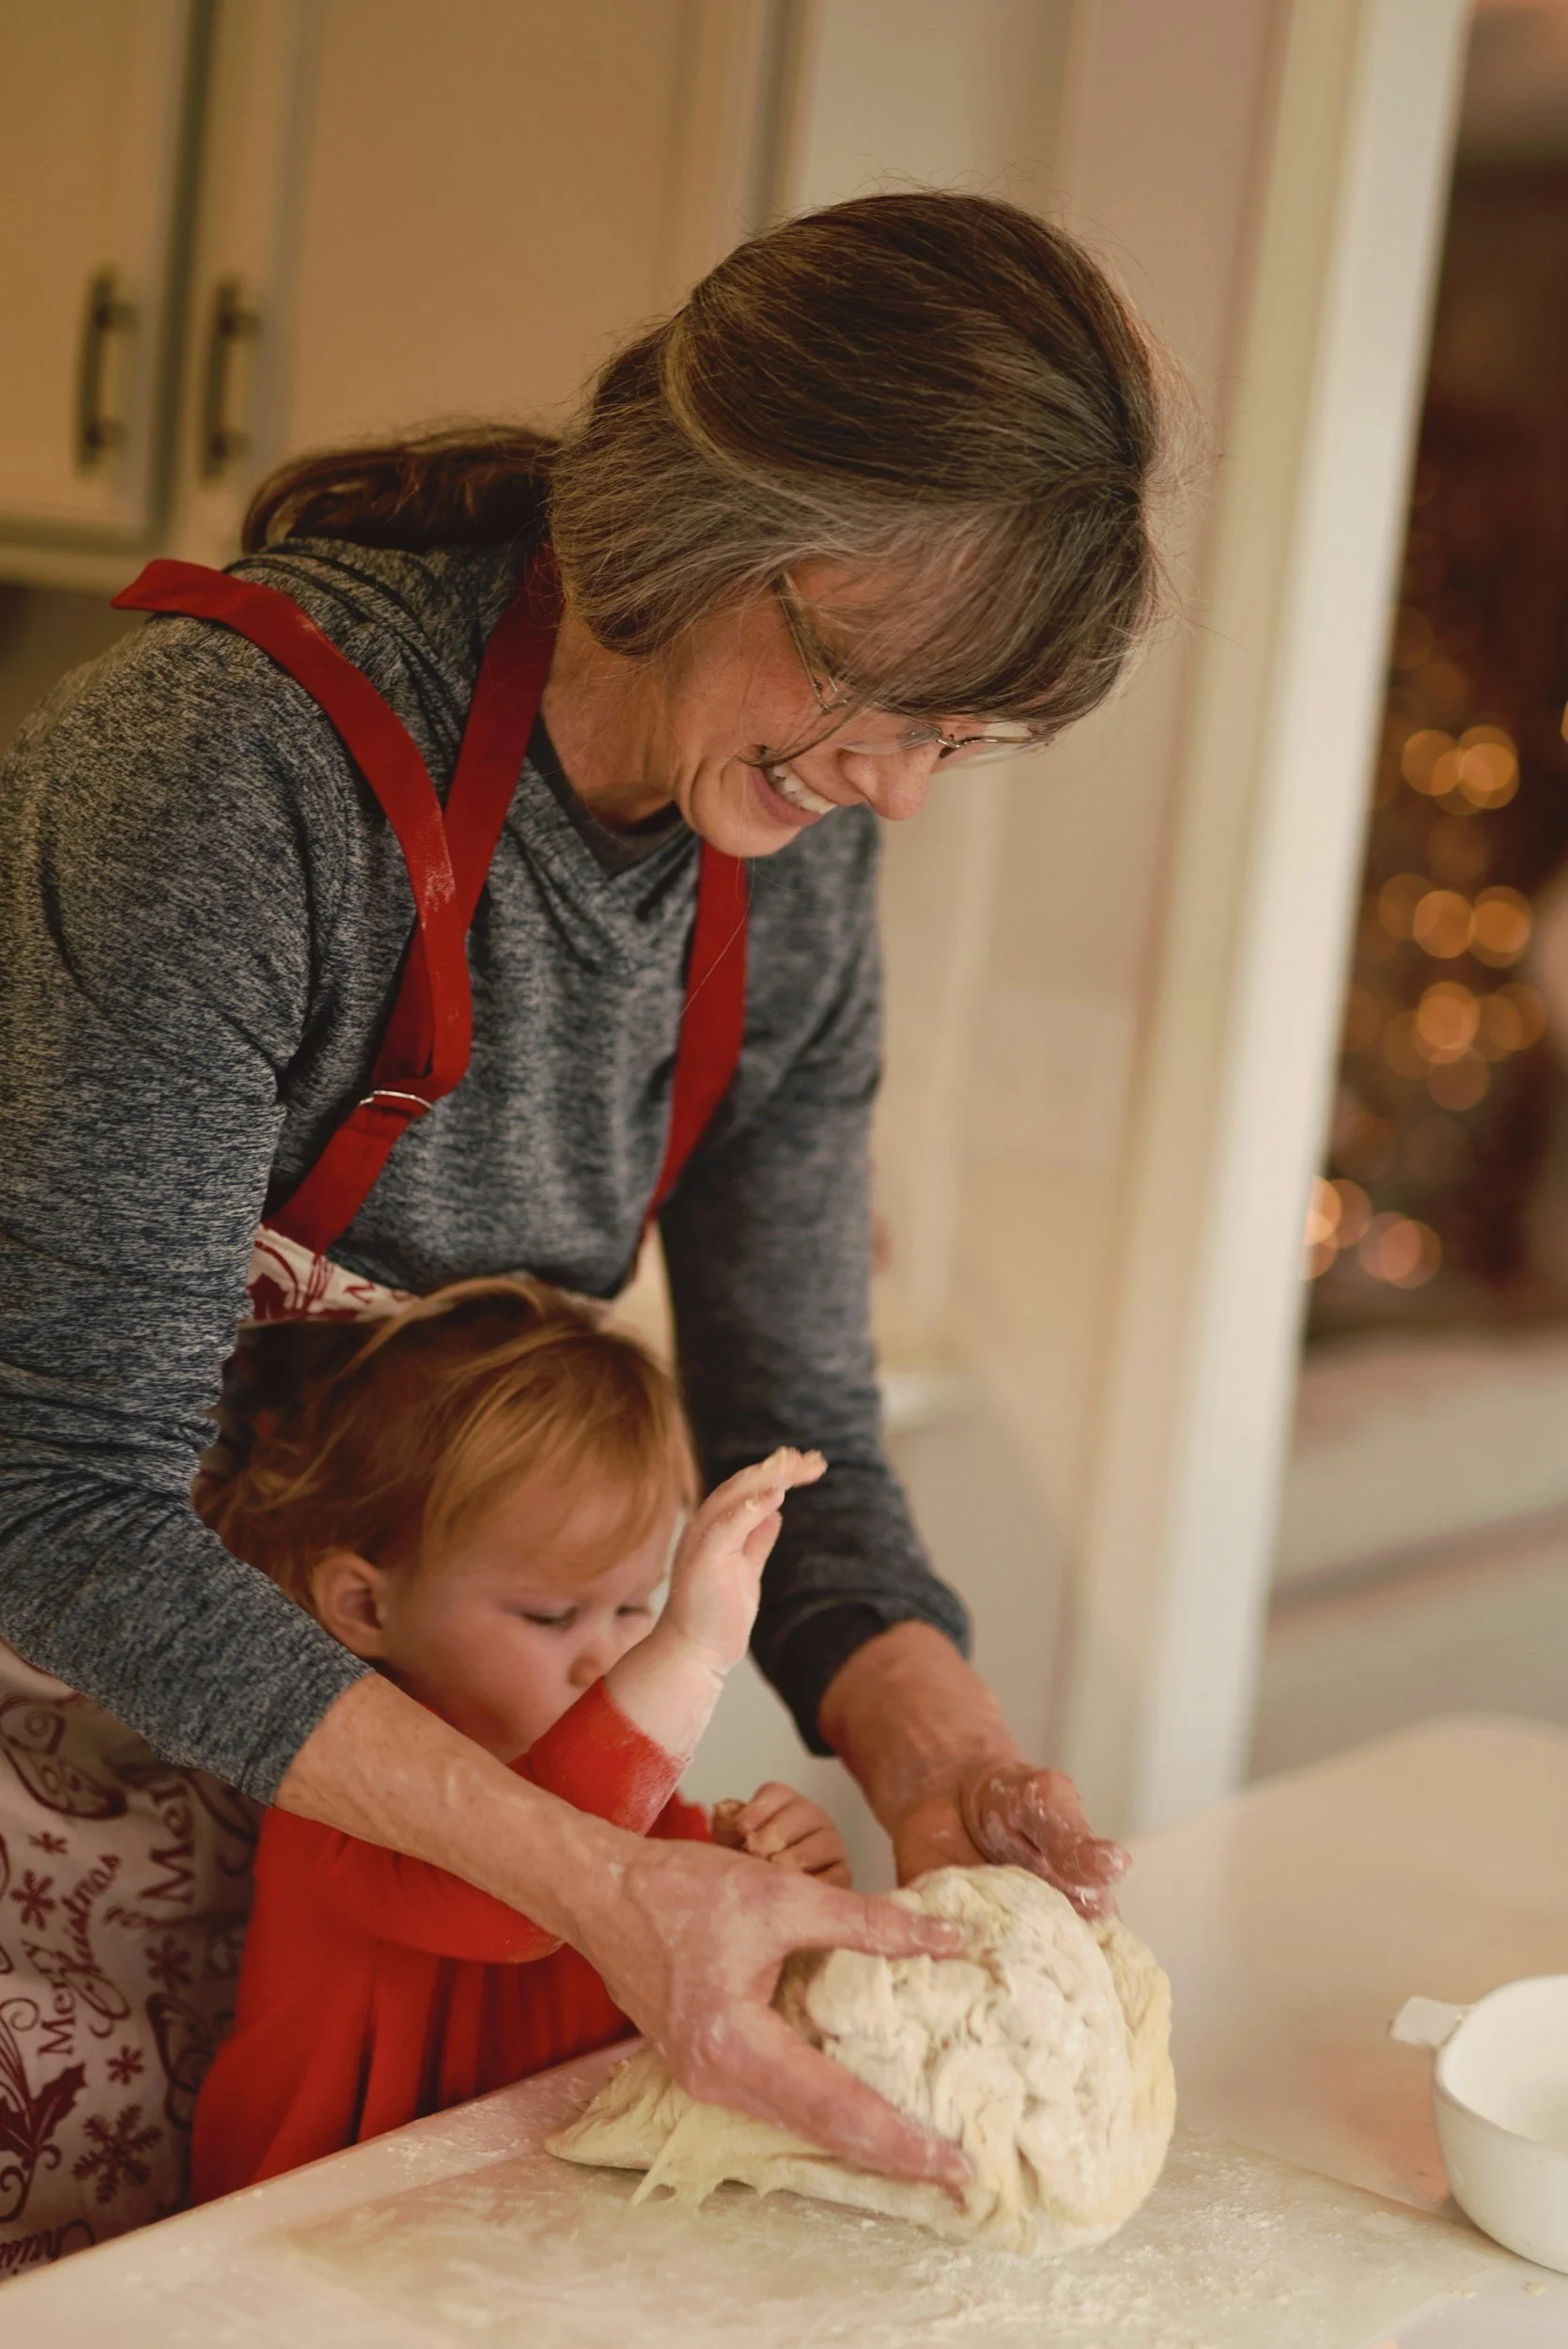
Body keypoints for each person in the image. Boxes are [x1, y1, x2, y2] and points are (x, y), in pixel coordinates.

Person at [0, 190, 1169, 2260]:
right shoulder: (225, 771)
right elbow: (60, 1496)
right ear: (701, 532)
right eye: (880, 695)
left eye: (961, 742)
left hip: (367, 1883)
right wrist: (606, 1876)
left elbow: (798, 1416)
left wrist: (937, 1749)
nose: (898, 792)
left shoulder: (781, 855)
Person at [190, 1279, 847, 2198]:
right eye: (549, 1615)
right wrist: (688, 1650)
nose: (607, 1660)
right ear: (367, 1605)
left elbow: (686, 1955)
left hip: (520, 2213)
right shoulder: (334, 1789)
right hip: (297, 2230)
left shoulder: (631, 1795)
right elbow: (523, 1901)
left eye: (632, 1607)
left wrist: (772, 1878)